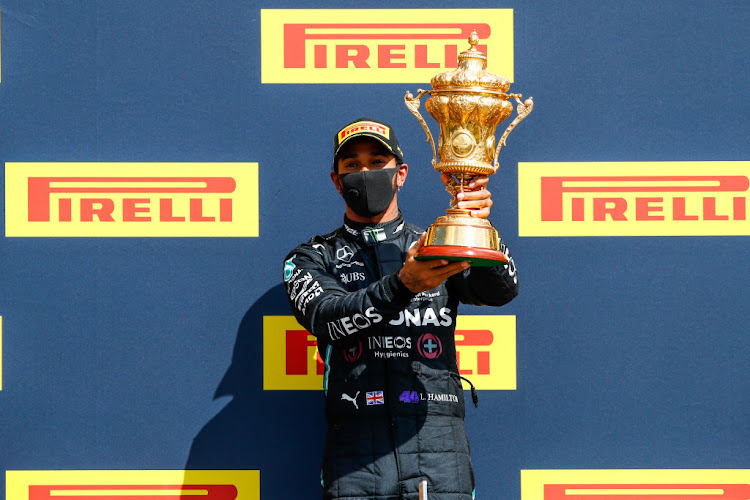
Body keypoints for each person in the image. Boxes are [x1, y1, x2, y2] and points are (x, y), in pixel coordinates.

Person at [282, 117, 518, 500]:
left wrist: (478, 227)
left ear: (401, 174)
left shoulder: (438, 244)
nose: (365, 173)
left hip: (439, 450)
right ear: (336, 179)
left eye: (377, 163)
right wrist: (404, 285)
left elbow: (500, 290)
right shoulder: (312, 257)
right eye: (352, 165)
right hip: (356, 455)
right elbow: (327, 320)